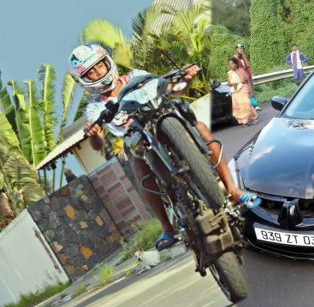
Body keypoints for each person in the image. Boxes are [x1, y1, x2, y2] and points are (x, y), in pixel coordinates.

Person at [69, 43, 259, 251]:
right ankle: (167, 227)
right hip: (137, 137)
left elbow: (168, 90)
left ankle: (232, 189)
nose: (97, 73)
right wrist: (95, 134)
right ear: (84, 81)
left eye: (99, 66)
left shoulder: (136, 76)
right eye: (90, 73)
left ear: (108, 62)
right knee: (137, 167)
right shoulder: (94, 107)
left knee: (201, 128)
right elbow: (96, 143)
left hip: (162, 118)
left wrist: (185, 79)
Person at [227, 57, 258, 126]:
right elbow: (228, 83)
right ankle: (244, 121)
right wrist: (233, 84)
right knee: (239, 106)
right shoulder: (229, 73)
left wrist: (250, 91)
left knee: (246, 104)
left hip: (243, 90)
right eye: (230, 64)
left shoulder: (242, 71)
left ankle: (253, 118)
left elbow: (248, 81)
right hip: (235, 91)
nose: (231, 65)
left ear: (236, 64)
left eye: (232, 63)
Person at [234, 43, 261, 111]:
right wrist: (243, 68)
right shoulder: (235, 58)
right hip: (242, 78)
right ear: (236, 49)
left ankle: (255, 105)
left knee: (251, 90)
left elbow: (248, 65)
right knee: (245, 92)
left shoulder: (243, 56)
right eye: (240, 48)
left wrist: (244, 56)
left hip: (248, 75)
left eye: (242, 48)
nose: (241, 50)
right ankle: (248, 107)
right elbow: (237, 68)